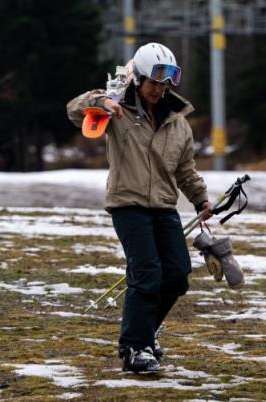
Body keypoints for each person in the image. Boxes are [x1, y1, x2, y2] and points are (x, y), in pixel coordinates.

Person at [66, 42, 212, 373]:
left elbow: (185, 170)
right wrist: (101, 101)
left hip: (164, 205)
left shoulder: (178, 123)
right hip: (128, 204)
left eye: (165, 84)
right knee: (146, 274)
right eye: (153, 83)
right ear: (139, 79)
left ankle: (145, 334)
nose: (158, 90)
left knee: (176, 276)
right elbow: (74, 109)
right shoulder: (117, 110)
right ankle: (133, 349)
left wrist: (201, 199)